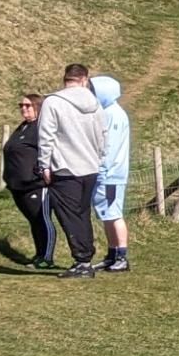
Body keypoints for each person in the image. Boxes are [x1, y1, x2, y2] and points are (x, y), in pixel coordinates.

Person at [36, 63, 106, 278]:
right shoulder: (95, 103)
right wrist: (100, 157)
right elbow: (102, 134)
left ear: (65, 79)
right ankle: (85, 257)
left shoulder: (53, 102)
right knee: (82, 213)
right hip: (90, 166)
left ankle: (82, 260)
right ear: (84, 79)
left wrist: (44, 164)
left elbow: (45, 135)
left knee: (69, 215)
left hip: (65, 167)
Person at [2, 93, 58, 268]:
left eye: (28, 105)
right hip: (18, 185)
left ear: (38, 107)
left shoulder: (41, 127)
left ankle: (47, 258)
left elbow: (51, 150)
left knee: (42, 219)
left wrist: (42, 172)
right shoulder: (23, 127)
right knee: (34, 221)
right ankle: (38, 255)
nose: (23, 108)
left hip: (36, 184)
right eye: (21, 105)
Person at [90, 75, 132, 273]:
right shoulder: (107, 112)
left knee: (114, 214)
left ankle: (122, 256)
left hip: (111, 175)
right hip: (106, 174)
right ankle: (112, 254)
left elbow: (110, 147)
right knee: (106, 215)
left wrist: (103, 170)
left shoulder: (114, 115)